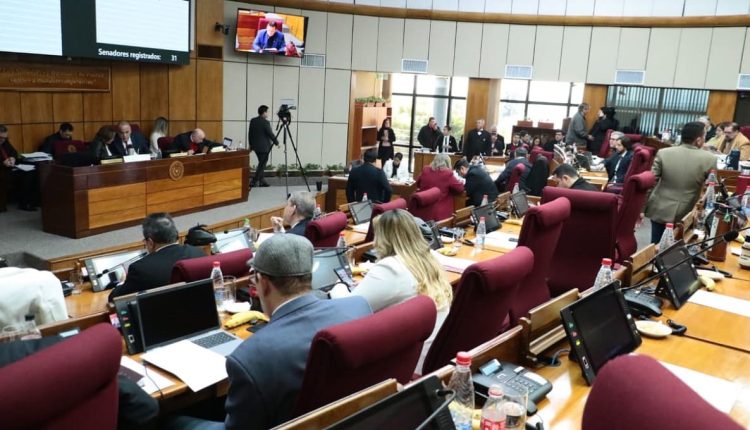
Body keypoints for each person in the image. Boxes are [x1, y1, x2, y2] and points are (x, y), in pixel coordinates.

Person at [168, 234, 372, 430]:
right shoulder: (359, 308)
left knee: (169, 421)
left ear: (263, 283)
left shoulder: (250, 357)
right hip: (351, 419)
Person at [330, 209, 452, 373]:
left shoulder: (390, 268)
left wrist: (339, 285)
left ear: (386, 240)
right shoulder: (430, 258)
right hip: (430, 354)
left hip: (407, 365)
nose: (374, 243)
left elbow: (349, 310)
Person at [644, 121, 717, 244]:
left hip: (659, 208)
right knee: (678, 251)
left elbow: (651, 182)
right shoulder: (710, 158)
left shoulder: (663, 153)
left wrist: (642, 208)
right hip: (687, 212)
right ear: (699, 140)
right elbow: (711, 189)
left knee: (655, 246)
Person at [109, 213, 205, 300]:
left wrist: (121, 283)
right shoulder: (198, 253)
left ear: (150, 242)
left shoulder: (141, 268)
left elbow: (115, 298)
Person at [415, 153, 465, 220]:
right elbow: (460, 189)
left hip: (423, 210)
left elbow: (418, 183)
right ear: (448, 163)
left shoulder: (425, 170)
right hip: (439, 214)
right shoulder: (447, 173)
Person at [0, 125, 38, 211]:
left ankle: (26, 203)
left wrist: (13, 158)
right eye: (1, 137)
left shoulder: (4, 141)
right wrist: (2, 163)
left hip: (9, 168)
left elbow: (14, 152)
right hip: (2, 169)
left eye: (5, 138)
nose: (3, 140)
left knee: (30, 172)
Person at [249, 105, 279, 187]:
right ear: (264, 112)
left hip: (256, 147)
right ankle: (254, 181)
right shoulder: (265, 122)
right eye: (267, 112)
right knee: (262, 165)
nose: (268, 113)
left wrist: (251, 146)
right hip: (264, 148)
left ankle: (262, 181)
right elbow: (270, 134)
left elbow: (250, 134)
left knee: (261, 163)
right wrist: (277, 142)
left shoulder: (253, 121)